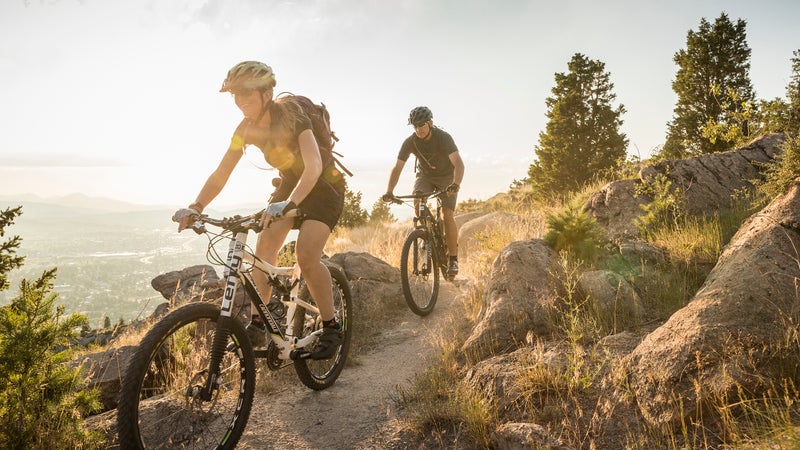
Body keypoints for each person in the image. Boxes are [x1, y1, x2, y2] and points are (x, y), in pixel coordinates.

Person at [172, 61, 345, 360]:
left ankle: (331, 328)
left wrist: (290, 205)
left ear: (266, 93)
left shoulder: (293, 116)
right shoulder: (246, 128)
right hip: (290, 184)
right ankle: (259, 321)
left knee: (306, 254)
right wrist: (196, 206)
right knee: (264, 245)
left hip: (323, 186)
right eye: (235, 95)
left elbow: (314, 165)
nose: (240, 101)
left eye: (246, 93)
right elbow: (221, 172)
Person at [382, 106, 465, 278]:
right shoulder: (410, 142)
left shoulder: (443, 138)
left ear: (430, 123)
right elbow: (397, 167)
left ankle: (453, 259)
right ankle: (424, 235)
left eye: (421, 125)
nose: (418, 129)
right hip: (425, 176)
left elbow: (458, 164)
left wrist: (455, 184)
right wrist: (389, 191)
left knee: (447, 215)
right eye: (415, 126)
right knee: (418, 201)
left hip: (446, 177)